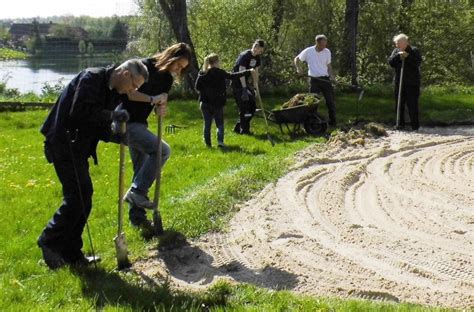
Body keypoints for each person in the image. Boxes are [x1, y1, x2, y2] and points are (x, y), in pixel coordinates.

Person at [37, 59, 149, 269]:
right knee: (77, 195)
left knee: (84, 198)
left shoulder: (114, 92)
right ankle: (49, 241)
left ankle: (71, 252)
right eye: (134, 85)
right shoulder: (91, 78)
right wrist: (111, 115)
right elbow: (79, 113)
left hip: (79, 147)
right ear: (125, 74)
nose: (132, 90)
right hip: (62, 141)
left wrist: (117, 135)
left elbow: (99, 126)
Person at [121, 43, 192, 231]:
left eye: (182, 69)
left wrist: (161, 107)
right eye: (178, 65)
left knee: (141, 171)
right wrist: (153, 99)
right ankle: (136, 192)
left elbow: (159, 102)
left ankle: (137, 218)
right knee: (162, 151)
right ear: (171, 57)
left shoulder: (167, 79)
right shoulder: (143, 66)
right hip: (124, 122)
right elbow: (129, 94)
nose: (178, 70)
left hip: (140, 123)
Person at [195, 53, 254, 148]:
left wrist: (206, 91)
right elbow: (233, 76)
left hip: (205, 102)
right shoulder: (219, 72)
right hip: (217, 103)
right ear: (216, 62)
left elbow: (197, 87)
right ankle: (220, 142)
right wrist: (247, 71)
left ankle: (208, 144)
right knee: (219, 124)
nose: (220, 62)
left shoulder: (202, 73)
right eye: (219, 61)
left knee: (207, 124)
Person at [294, 34, 337, 126]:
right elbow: (296, 59)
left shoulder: (327, 52)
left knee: (330, 101)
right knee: (313, 103)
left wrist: (332, 77)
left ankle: (333, 122)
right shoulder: (309, 51)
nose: (324, 47)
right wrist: (299, 69)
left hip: (325, 79)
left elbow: (329, 66)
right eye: (322, 45)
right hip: (314, 80)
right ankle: (312, 123)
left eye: (325, 45)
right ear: (317, 43)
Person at [388, 33, 422, 131]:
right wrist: (398, 57)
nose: (396, 45)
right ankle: (400, 124)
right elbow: (391, 62)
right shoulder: (396, 51)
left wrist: (408, 57)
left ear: (405, 43)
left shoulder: (414, 50)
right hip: (399, 82)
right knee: (399, 104)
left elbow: (417, 63)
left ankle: (415, 126)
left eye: (398, 43)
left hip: (412, 83)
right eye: (396, 43)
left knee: (412, 104)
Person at [231, 39, 265, 135]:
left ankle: (239, 127)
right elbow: (241, 72)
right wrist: (244, 89)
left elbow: (256, 72)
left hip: (245, 83)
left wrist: (256, 85)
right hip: (237, 83)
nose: (256, 50)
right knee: (244, 106)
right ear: (253, 45)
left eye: (259, 50)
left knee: (252, 107)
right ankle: (244, 130)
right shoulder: (244, 56)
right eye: (256, 47)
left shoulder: (257, 58)